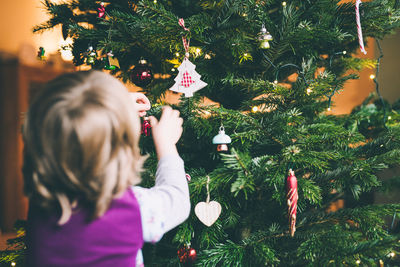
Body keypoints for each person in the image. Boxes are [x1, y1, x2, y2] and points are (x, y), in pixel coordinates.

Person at [22, 70, 190, 267]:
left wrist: (115, 107)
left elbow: (71, 126)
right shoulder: (130, 208)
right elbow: (176, 200)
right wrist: (167, 145)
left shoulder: (43, 200)